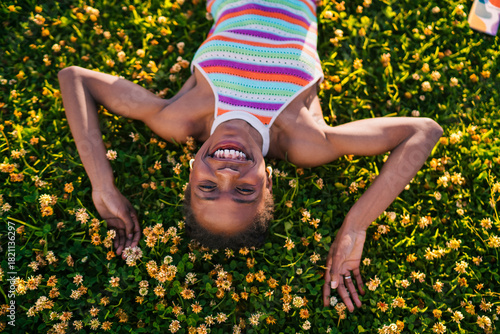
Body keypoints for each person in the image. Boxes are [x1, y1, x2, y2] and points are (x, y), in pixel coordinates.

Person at [58, 0, 443, 313]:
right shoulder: (304, 138)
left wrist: (102, 185)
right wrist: (356, 225)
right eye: (244, 191)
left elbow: (74, 77)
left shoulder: (180, 117)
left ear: (191, 172)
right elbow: (422, 131)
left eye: (208, 188)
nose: (227, 173)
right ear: (269, 181)